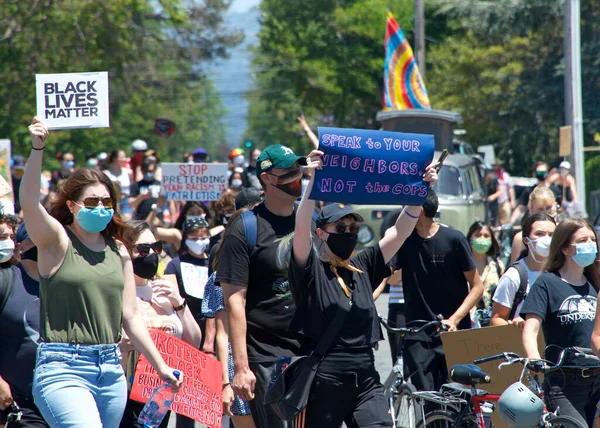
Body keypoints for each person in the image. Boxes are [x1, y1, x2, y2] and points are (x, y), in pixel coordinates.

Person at [21, 117, 181, 427]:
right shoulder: (56, 240)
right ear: (72, 205)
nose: (100, 207)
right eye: (91, 201)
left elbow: (131, 317)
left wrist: (160, 366)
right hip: (62, 368)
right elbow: (29, 201)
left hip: (111, 369)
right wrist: (37, 148)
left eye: (106, 201)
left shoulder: (119, 250)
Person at [289, 151, 437, 426]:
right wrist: (312, 181)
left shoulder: (364, 263)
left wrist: (420, 191)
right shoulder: (309, 268)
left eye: (352, 227)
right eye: (340, 226)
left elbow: (400, 232)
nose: (348, 232)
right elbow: (300, 229)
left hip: (366, 377)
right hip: (324, 379)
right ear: (321, 232)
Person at [217, 145, 311, 428]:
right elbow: (235, 302)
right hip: (269, 358)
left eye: (299, 169)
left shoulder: (309, 219)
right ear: (268, 178)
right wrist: (242, 368)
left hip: (312, 351)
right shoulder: (245, 228)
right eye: (290, 171)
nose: (298, 175)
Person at [392, 189, 484, 392]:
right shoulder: (404, 240)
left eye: (406, 207)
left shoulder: (454, 239)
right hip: (417, 334)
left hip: (453, 334)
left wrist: (455, 319)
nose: (402, 211)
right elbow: (386, 276)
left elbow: (477, 287)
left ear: (420, 210)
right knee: (426, 401)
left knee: (458, 400)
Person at [119, 221, 201, 428]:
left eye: (156, 248)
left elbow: (193, 342)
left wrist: (180, 304)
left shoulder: (165, 291)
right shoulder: (116, 293)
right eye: (143, 250)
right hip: (125, 395)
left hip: (160, 395)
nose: (152, 255)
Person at [522, 218, 600, 427]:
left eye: (593, 239)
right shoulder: (547, 283)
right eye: (583, 240)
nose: (590, 244)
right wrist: (534, 358)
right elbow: (531, 329)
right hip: (564, 381)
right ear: (565, 248)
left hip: (598, 378)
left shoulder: (596, 283)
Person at [0, 218, 49, 428]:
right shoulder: (6, 281)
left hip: (60, 399)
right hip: (18, 403)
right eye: (35, 239)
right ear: (20, 248)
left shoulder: (67, 285)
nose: (43, 244)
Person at [491, 213, 556, 328]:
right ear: (526, 240)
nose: (546, 239)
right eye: (539, 234)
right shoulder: (514, 276)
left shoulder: (562, 272)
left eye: (551, 235)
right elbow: (497, 319)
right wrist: (515, 326)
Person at [164, 217, 213, 353]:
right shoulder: (175, 264)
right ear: (185, 238)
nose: (199, 241)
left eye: (203, 237)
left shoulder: (215, 263)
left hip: (211, 327)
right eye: (194, 237)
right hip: (186, 323)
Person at [510, 186, 558, 262]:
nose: (545, 212)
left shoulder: (563, 233)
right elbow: (515, 267)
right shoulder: (520, 238)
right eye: (540, 209)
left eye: (548, 207)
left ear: (555, 205)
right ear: (531, 210)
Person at [466, 221, 504, 312]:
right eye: (478, 235)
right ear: (470, 238)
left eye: (486, 236)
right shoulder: (461, 264)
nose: (482, 239)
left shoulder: (498, 265)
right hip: (466, 318)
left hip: (489, 318)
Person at [104, 149, 134, 218]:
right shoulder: (106, 174)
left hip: (125, 201)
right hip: (111, 202)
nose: (124, 159)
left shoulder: (128, 173)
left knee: (127, 219)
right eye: (122, 158)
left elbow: (132, 187)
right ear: (115, 159)